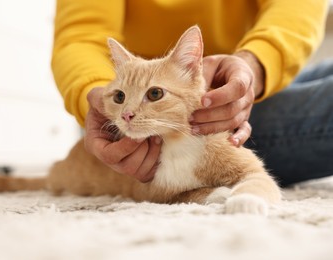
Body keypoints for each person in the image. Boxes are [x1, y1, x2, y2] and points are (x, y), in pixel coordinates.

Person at [51, 0, 332, 187]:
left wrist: (254, 65)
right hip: (172, 128)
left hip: (232, 84)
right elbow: (80, 38)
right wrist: (94, 94)